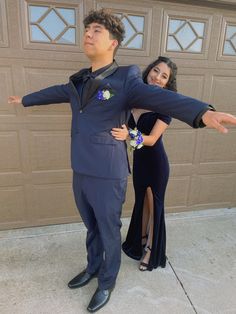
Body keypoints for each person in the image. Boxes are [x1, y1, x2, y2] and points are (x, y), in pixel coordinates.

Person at [7, 8, 236, 313]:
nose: (88, 34)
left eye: (97, 30)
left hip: (108, 172)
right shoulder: (77, 81)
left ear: (113, 41)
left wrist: (201, 112)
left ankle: (106, 281)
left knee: (108, 228)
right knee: (91, 227)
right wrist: (25, 99)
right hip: (81, 169)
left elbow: (165, 99)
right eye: (87, 30)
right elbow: (54, 93)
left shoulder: (126, 78)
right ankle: (92, 268)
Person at [111, 56, 177, 271]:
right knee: (142, 201)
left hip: (156, 162)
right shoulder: (134, 97)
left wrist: (128, 136)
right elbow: (112, 104)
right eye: (156, 71)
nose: (157, 77)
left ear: (167, 82)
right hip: (139, 161)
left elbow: (151, 139)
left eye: (164, 76)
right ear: (149, 71)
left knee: (153, 203)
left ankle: (150, 250)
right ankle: (138, 242)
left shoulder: (166, 104)